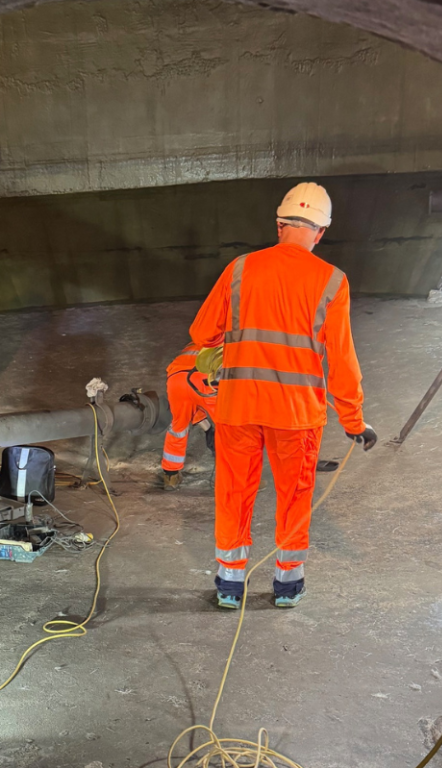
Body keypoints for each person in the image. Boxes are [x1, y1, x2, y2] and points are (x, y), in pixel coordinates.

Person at [189, 182, 376, 610]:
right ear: (320, 232)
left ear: (279, 225)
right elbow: (343, 361)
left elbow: (202, 333)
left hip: (238, 407)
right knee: (295, 496)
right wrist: (353, 421)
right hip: (297, 416)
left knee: (234, 492)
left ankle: (229, 585)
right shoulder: (332, 281)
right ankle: (287, 586)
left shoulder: (239, 269)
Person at [161, 342, 218, 491]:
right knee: (231, 428)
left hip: (176, 380)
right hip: (206, 379)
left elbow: (192, 402)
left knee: (178, 427)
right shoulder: (229, 342)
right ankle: (241, 479)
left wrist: (207, 428)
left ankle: (170, 476)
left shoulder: (193, 344)